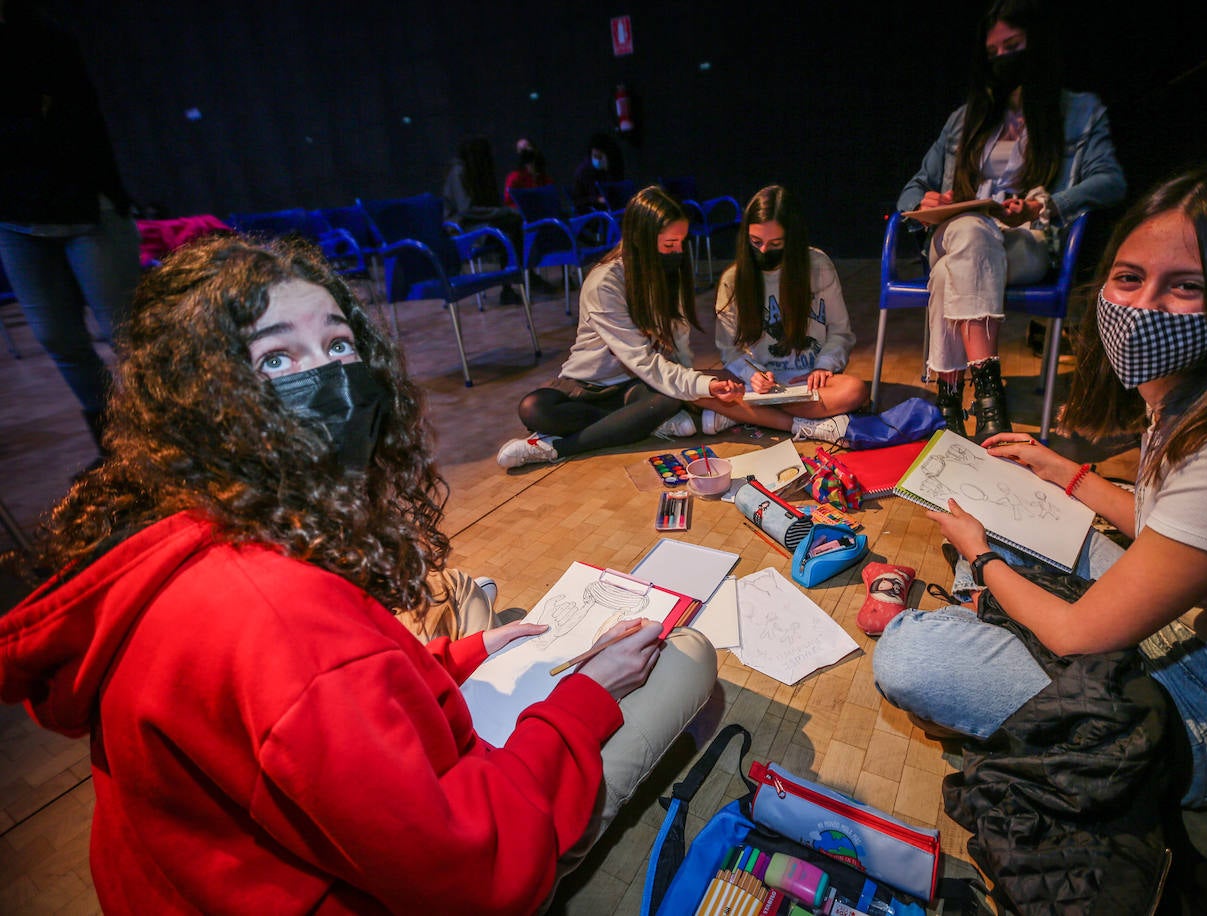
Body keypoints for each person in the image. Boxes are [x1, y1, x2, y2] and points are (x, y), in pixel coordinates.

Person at [0, 234, 719, 913]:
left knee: (467, 600)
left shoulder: (176, 535)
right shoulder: (290, 630)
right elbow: (485, 876)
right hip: (435, 872)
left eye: (339, 345)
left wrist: (452, 661)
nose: (331, 381)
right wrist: (584, 699)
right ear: (203, 398)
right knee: (685, 657)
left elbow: (307, 704)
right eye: (276, 361)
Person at [873, 166, 1207, 812]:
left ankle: (1007, 648)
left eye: (1186, 287)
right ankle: (1006, 634)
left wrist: (981, 556)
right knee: (1013, 519)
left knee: (912, 653)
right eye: (1130, 278)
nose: (1141, 308)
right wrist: (1068, 474)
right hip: (1196, 629)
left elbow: (1078, 634)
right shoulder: (1204, 395)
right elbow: (1173, 534)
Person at [896, 0, 1125, 441]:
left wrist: (1045, 205)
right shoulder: (964, 120)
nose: (1003, 58)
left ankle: (949, 406)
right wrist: (925, 200)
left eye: (1014, 46)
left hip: (1024, 242)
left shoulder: (1079, 112)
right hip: (955, 232)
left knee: (949, 271)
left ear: (1036, 46)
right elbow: (913, 186)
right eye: (994, 51)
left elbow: (1110, 181)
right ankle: (989, 401)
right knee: (969, 228)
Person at [497, 186, 744, 468]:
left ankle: (557, 447)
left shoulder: (665, 274)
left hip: (635, 386)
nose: (678, 252)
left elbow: (678, 343)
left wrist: (692, 387)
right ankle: (642, 423)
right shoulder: (605, 283)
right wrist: (699, 386)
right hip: (587, 387)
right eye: (669, 245)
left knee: (667, 399)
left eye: (680, 243)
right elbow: (641, 360)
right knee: (533, 409)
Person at [0, 0, 143, 457]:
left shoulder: (43, 36)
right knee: (55, 336)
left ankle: (178, 429)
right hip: (15, 219)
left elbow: (66, 127)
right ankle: (117, 443)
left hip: (85, 208)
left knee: (126, 333)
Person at [700, 184, 867, 445]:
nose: (764, 251)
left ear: (793, 239)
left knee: (855, 391)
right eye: (756, 242)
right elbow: (730, 351)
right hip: (762, 384)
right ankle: (799, 423)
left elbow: (840, 331)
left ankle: (744, 414)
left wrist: (824, 365)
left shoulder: (818, 266)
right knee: (694, 381)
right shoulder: (732, 280)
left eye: (776, 243)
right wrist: (752, 375)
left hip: (811, 384)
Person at [442, 135, 525, 304]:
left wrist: (503, 212)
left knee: (515, 223)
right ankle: (508, 286)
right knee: (507, 230)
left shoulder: (477, 171)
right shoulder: (460, 172)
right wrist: (500, 212)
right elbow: (466, 210)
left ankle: (519, 276)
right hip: (462, 227)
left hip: (478, 222)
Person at [570, 132, 621, 215]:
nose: (597, 159)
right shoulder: (584, 171)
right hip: (591, 213)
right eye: (595, 156)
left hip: (607, 210)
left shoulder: (608, 169)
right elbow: (577, 201)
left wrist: (607, 170)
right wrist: (597, 199)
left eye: (600, 157)